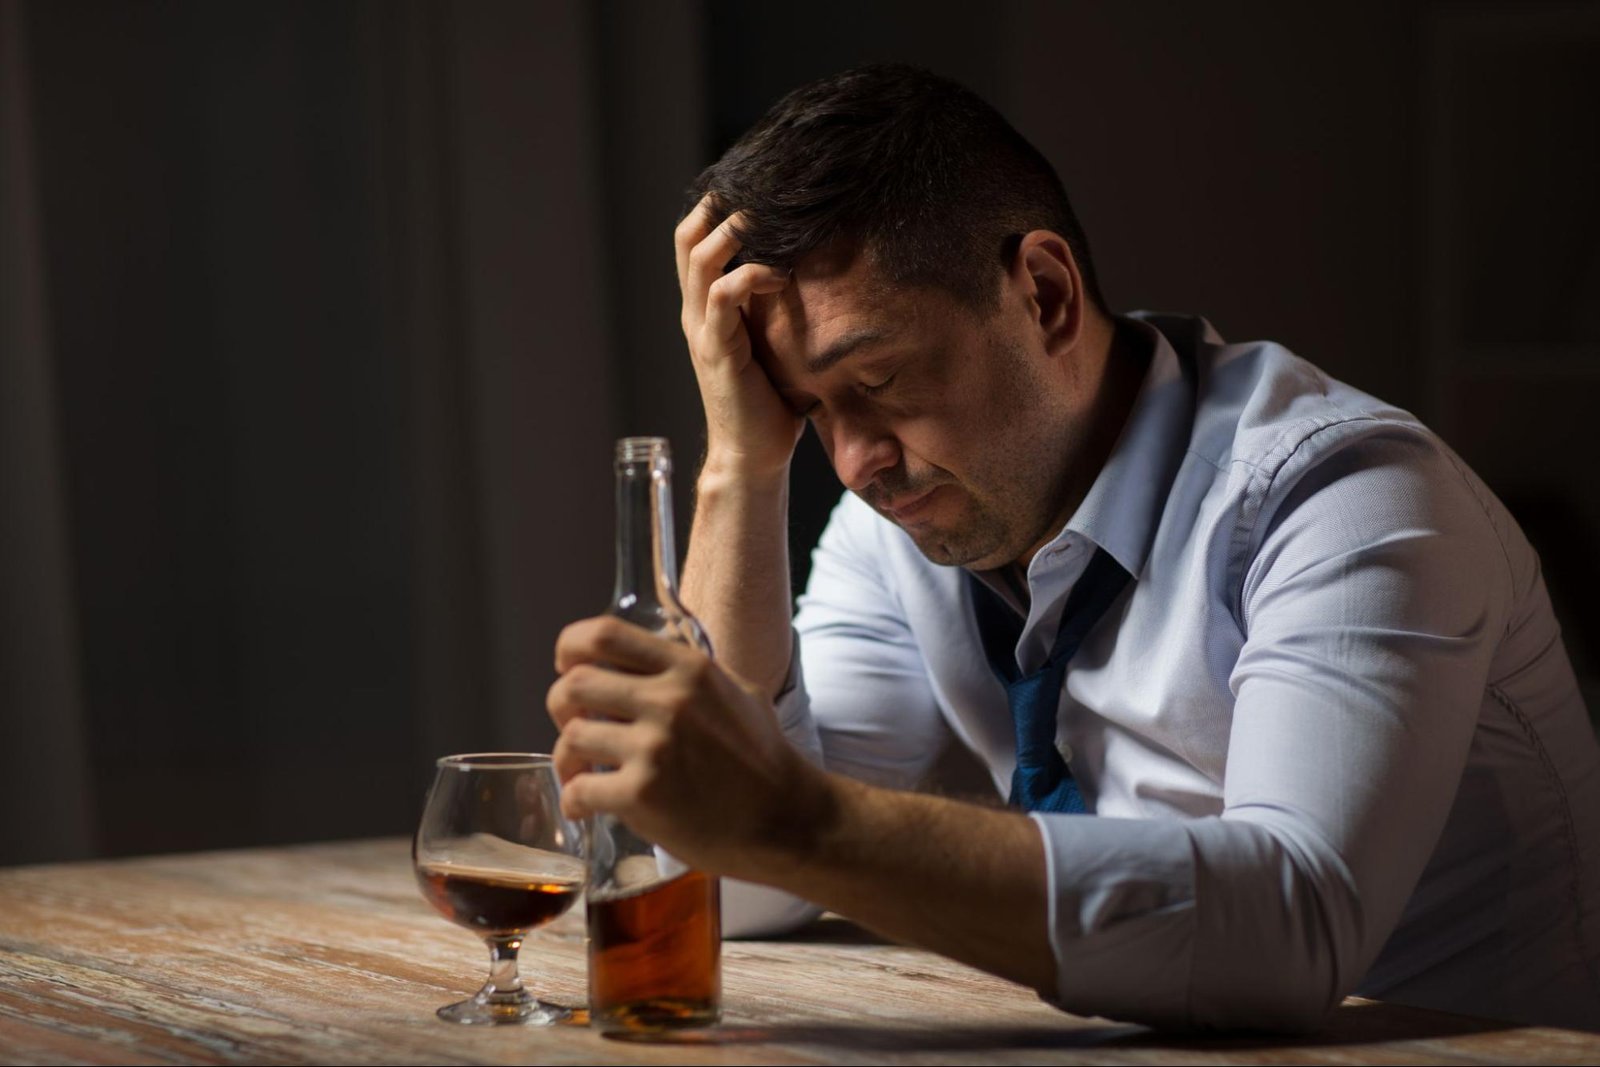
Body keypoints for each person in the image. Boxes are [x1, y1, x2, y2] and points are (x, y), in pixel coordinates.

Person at [546, 64, 1600, 1032]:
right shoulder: (897, 523)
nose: (856, 459)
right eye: (806, 406)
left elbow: (1295, 925)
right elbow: (744, 884)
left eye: (875, 382)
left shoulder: (1344, 491)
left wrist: (795, 814)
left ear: (1042, 295)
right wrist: (741, 460)